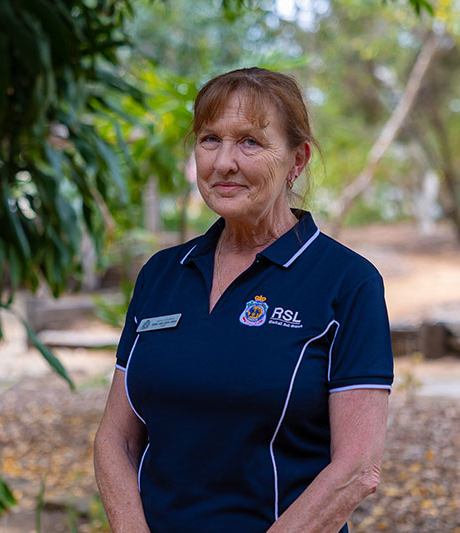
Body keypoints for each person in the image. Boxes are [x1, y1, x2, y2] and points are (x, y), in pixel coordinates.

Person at [93, 67, 393, 533]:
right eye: (210, 139)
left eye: (250, 142)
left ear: (298, 159)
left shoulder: (347, 283)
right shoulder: (161, 275)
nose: (224, 162)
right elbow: (117, 438)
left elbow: (357, 469)